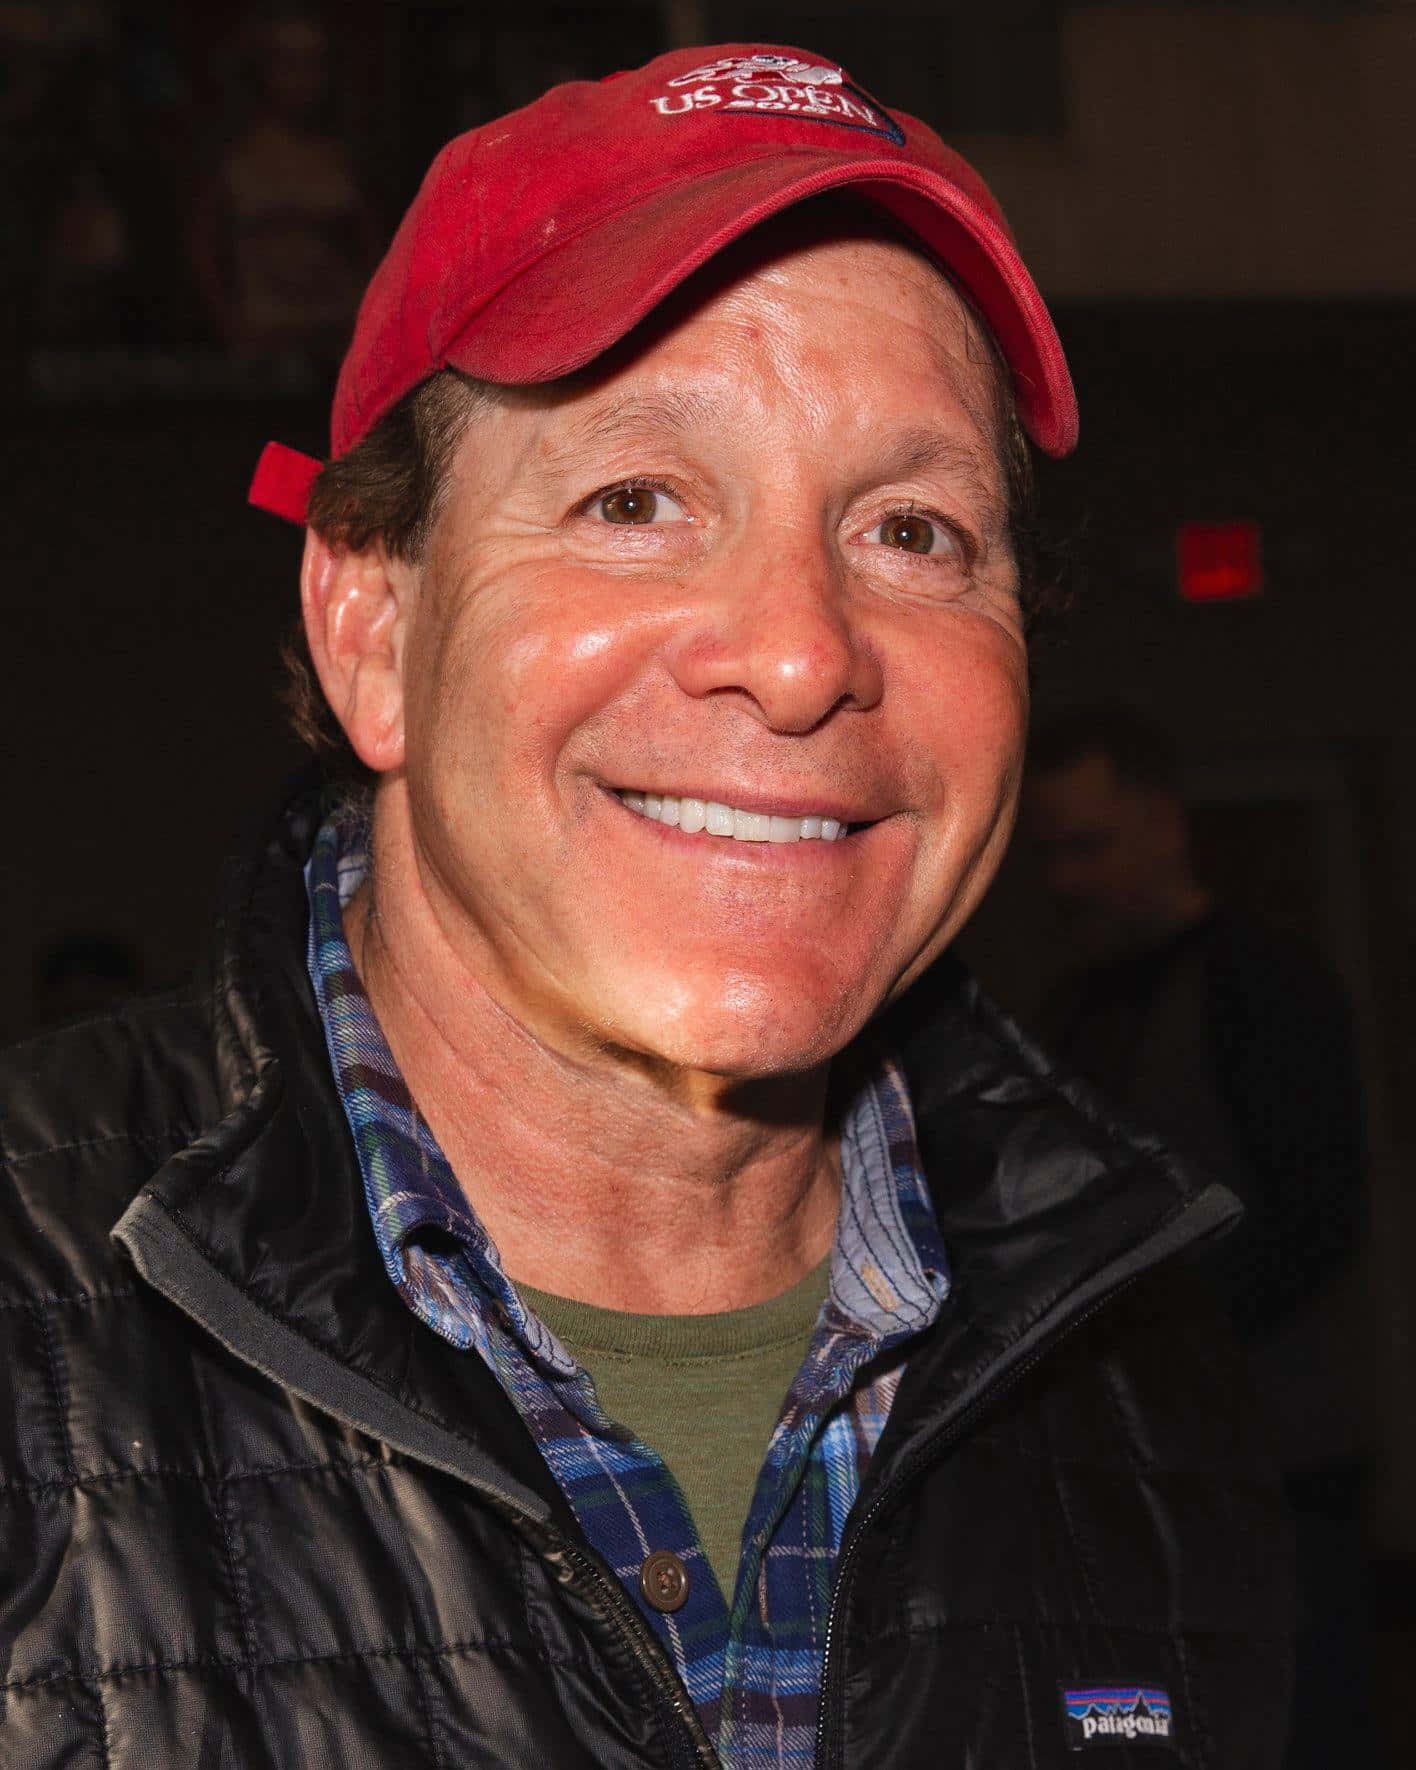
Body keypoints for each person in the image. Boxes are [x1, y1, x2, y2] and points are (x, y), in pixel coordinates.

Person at [1, 46, 1292, 1769]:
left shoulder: (1142, 1371)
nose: (799, 650)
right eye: (634, 501)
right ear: (372, 631)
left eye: (913, 532)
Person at [1024, 702, 1372, 1769]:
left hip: (1276, 1454)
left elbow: (1316, 1220)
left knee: (1299, 1723)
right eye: (1052, 854)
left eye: (1091, 845)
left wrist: (1165, 1352)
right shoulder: (1073, 1006)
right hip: (1135, 1469)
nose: (1067, 881)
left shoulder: (1265, 986)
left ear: (1165, 824)